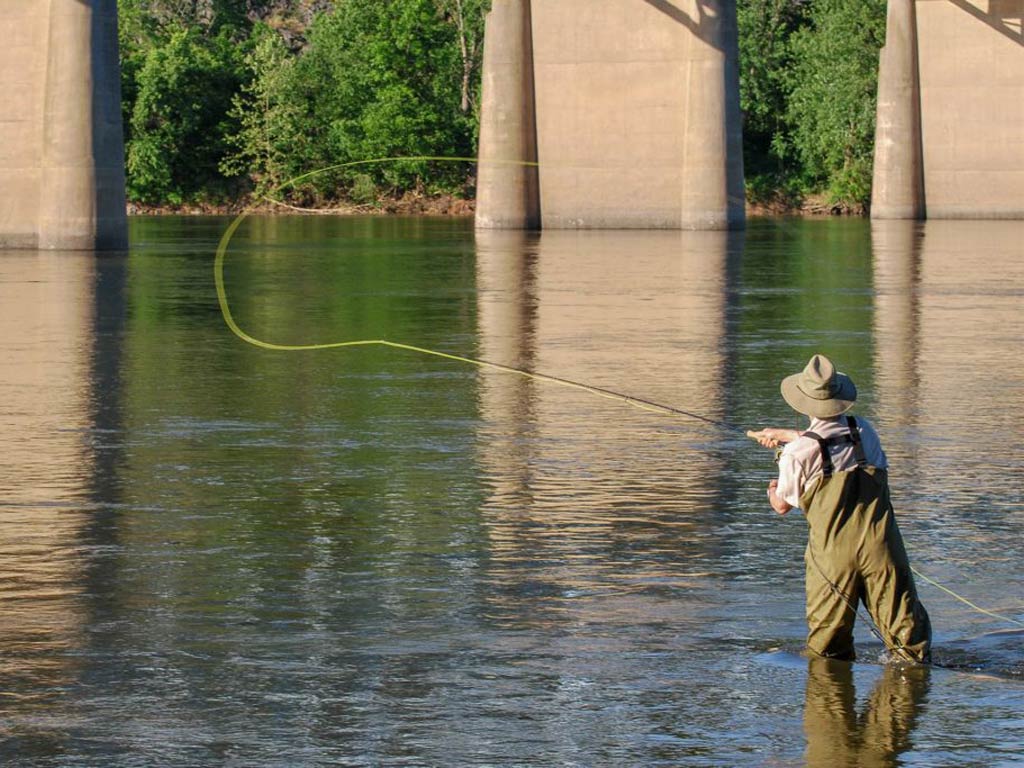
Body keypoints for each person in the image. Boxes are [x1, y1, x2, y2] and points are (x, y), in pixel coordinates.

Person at [748, 354, 931, 663]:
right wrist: (789, 438)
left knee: (828, 650)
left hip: (833, 558)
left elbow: (781, 505)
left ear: (804, 403)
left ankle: (832, 705)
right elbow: (833, 443)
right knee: (910, 648)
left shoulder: (797, 453)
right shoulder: (865, 430)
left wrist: (776, 473)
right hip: (882, 549)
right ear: (839, 399)